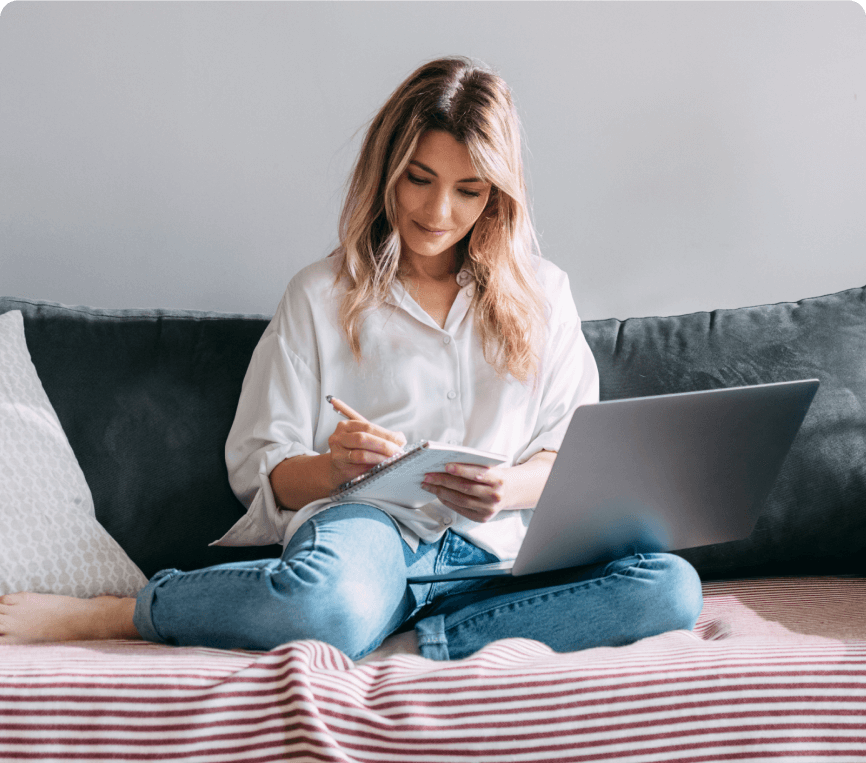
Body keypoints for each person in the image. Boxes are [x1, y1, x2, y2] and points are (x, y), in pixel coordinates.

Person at [0, 57, 702, 660]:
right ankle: (119, 613)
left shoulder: (545, 294)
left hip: (497, 551)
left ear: (498, 196)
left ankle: (430, 632)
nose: (437, 211)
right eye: (419, 179)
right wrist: (336, 470)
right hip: (370, 534)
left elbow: (570, 449)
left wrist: (510, 487)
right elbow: (258, 467)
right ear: (387, 171)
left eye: (469, 189)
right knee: (327, 604)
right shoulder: (319, 294)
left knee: (671, 586)